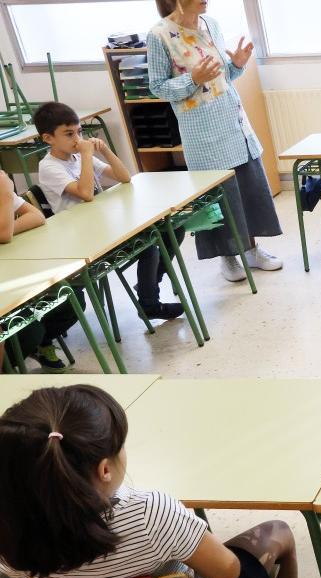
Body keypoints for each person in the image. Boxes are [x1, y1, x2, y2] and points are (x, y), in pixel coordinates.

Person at [0, 385, 301, 578]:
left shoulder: (9, 531)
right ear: (104, 470)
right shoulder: (149, 513)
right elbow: (227, 573)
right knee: (280, 532)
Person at [148, 0, 285, 284]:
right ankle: (228, 258)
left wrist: (236, 65)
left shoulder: (213, 25)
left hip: (234, 121)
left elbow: (223, 78)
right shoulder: (159, 35)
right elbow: (158, 87)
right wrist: (192, 80)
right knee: (221, 198)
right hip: (203, 133)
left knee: (248, 189)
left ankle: (251, 250)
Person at [34, 102, 183, 324]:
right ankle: (149, 304)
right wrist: (86, 155)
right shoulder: (49, 167)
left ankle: (147, 286)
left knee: (174, 228)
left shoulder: (78, 157)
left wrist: (104, 150)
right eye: (68, 134)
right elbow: (86, 193)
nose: (77, 139)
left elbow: (124, 177)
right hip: (82, 239)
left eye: (79, 132)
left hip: (101, 226)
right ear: (48, 138)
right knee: (150, 245)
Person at [0, 171, 75, 373]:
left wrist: (6, 230)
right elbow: (4, 234)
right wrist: (6, 193)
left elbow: (36, 216)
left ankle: (41, 345)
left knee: (70, 301)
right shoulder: (2, 187)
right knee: (30, 330)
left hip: (13, 267)